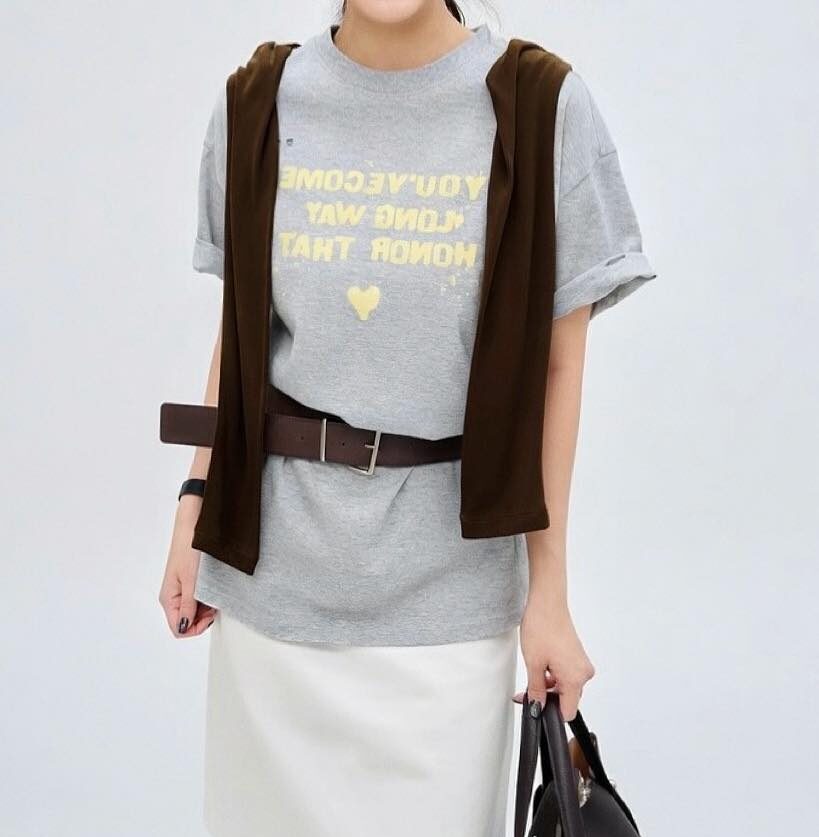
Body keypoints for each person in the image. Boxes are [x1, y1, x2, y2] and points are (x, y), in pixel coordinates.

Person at [157, 1, 657, 835]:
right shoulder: (257, 101)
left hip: (447, 614)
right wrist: (192, 504)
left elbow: (557, 367)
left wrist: (550, 594)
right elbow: (240, 339)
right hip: (272, 603)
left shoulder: (541, 107)